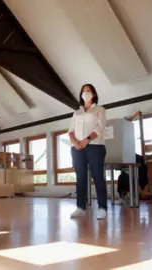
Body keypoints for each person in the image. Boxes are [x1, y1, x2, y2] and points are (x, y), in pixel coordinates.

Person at [68, 84, 107, 220]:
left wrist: (87, 140)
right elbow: (71, 130)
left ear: (94, 94)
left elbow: (100, 128)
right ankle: (80, 207)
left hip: (95, 146)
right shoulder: (76, 113)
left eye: (88, 91)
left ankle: (102, 208)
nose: (86, 93)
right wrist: (75, 142)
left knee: (98, 176)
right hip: (77, 148)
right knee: (81, 178)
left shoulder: (99, 110)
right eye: (83, 91)